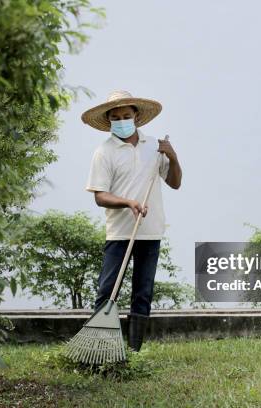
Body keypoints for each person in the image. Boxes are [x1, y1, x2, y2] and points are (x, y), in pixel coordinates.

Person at [81, 90, 182, 352]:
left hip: (150, 231)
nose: (122, 120)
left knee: (143, 292)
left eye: (126, 115)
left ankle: (134, 350)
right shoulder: (104, 152)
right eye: (116, 117)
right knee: (107, 290)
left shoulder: (154, 147)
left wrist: (172, 156)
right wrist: (128, 202)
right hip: (120, 232)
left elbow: (175, 183)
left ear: (137, 116)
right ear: (109, 120)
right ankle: (99, 348)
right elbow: (100, 196)